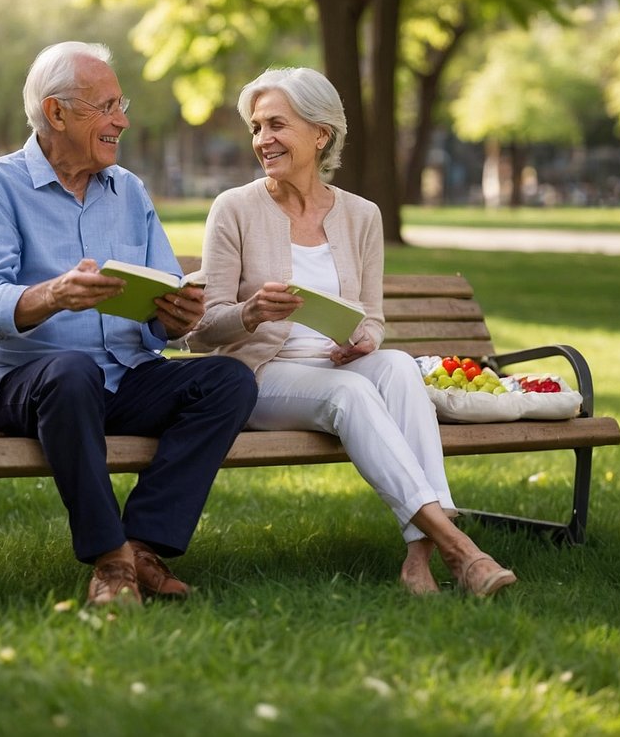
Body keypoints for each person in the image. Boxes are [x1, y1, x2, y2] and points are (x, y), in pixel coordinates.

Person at [188, 67, 517, 597]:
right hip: (259, 377)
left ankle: (418, 560)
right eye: (256, 127)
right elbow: (203, 329)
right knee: (353, 391)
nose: (262, 140)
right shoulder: (235, 209)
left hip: (337, 365)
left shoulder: (361, 216)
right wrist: (251, 313)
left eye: (277, 125)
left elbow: (372, 316)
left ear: (321, 134)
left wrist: (365, 339)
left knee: (398, 368)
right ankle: (462, 549)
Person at [0, 41, 258, 607]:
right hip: (23, 382)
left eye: (123, 105)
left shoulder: (130, 191)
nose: (121, 120)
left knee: (228, 380)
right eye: (107, 106)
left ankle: (144, 546)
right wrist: (53, 295)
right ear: (57, 113)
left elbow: (165, 299)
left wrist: (175, 317)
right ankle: (110, 559)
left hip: (120, 377)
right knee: (72, 373)